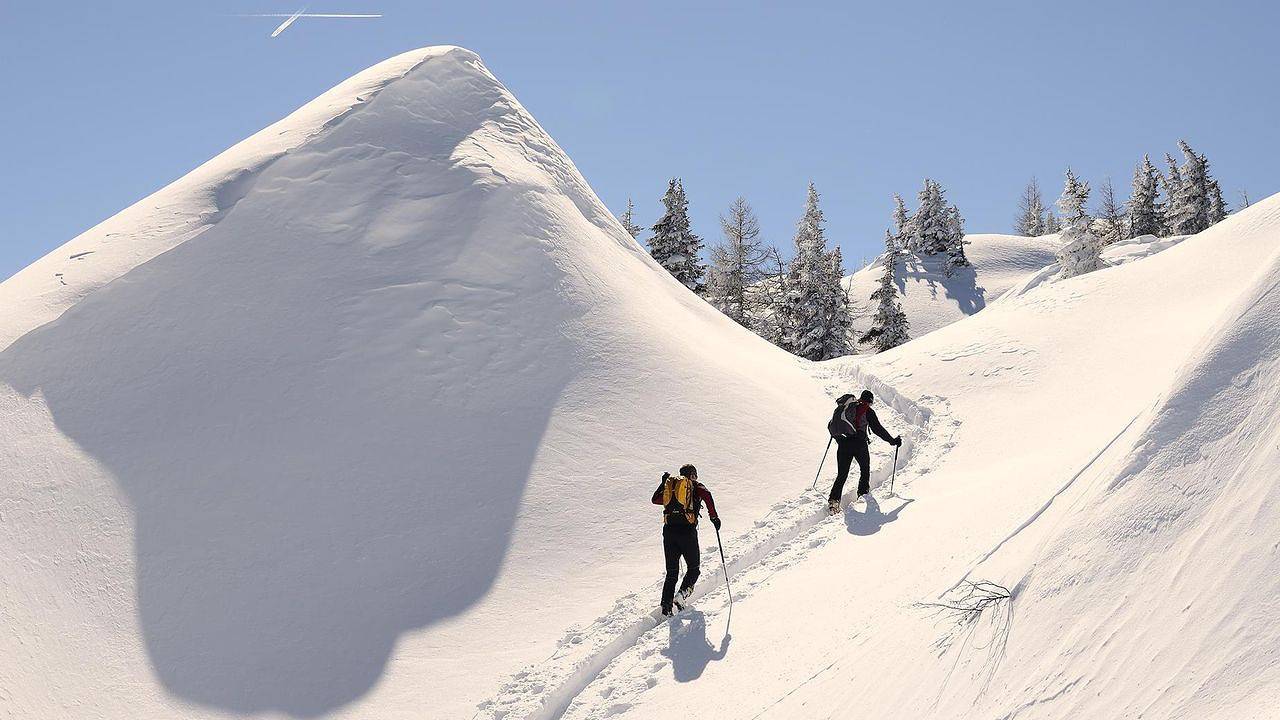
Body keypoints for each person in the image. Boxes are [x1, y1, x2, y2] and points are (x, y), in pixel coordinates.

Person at [651, 464, 720, 616]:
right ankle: (681, 596)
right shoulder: (696, 486)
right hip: (687, 533)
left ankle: (666, 607)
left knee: (672, 572)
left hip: (669, 532)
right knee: (694, 569)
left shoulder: (672, 490)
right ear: (693, 475)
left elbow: (655, 500)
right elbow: (707, 495)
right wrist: (714, 517)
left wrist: (663, 484)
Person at [827, 390, 902, 514]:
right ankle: (862, 494)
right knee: (864, 469)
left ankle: (834, 501)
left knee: (842, 474)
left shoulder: (848, 407)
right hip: (859, 444)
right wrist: (892, 441)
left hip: (843, 443)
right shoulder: (868, 411)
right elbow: (878, 429)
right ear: (870, 401)